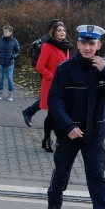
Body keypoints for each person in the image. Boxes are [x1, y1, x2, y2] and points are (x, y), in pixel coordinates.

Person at [47, 24, 105, 209]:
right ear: (78, 44)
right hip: (69, 134)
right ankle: (54, 201)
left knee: (98, 178)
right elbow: (54, 100)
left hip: (95, 136)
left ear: (98, 45)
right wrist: (68, 126)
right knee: (62, 170)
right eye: (83, 43)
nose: (87, 47)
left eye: (92, 44)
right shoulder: (65, 68)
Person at [35, 21, 71, 152]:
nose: (62, 32)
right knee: (52, 114)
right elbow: (40, 66)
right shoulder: (47, 46)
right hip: (51, 85)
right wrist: (51, 76)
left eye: (64, 30)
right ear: (54, 33)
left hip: (64, 86)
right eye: (59, 30)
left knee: (60, 114)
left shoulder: (67, 46)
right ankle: (47, 139)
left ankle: (58, 140)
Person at [22, 19, 61, 127]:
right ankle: (31, 113)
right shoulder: (46, 41)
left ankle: (30, 112)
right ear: (52, 30)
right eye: (58, 28)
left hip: (55, 75)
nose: (62, 31)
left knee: (49, 98)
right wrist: (48, 74)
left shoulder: (60, 41)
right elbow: (40, 63)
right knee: (49, 98)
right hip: (48, 74)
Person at [0, 25, 20, 101]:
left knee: (10, 78)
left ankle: (11, 94)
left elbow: (18, 51)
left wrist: (13, 56)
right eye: (4, 31)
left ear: (10, 32)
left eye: (7, 31)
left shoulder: (14, 41)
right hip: (1, 62)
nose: (5, 33)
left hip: (10, 63)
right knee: (1, 78)